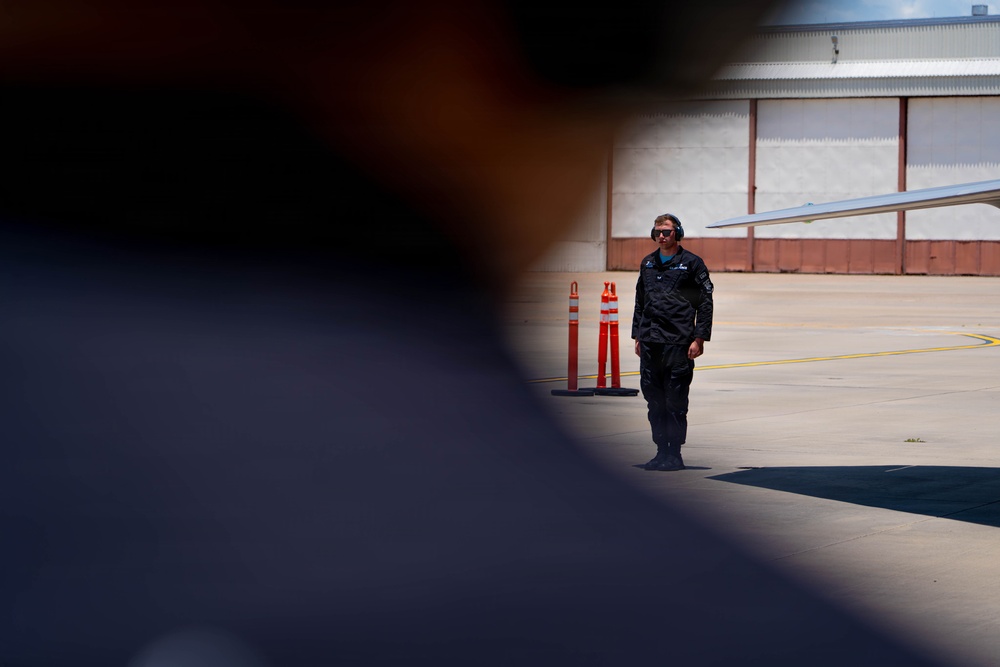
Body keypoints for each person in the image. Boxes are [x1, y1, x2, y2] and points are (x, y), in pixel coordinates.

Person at [0, 2, 944, 666]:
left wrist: (693, 333)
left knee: (671, 404)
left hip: (669, 345)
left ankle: (667, 446)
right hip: (634, 360)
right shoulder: (698, 622)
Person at [632, 213, 713, 471]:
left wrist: (699, 338)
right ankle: (660, 451)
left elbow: (705, 303)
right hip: (651, 341)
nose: (662, 236)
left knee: (675, 399)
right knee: (654, 399)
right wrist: (637, 335)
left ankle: (674, 454)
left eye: (666, 231)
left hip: (678, 342)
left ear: (677, 233)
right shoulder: (648, 264)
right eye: (657, 232)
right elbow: (640, 302)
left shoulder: (691, 264)